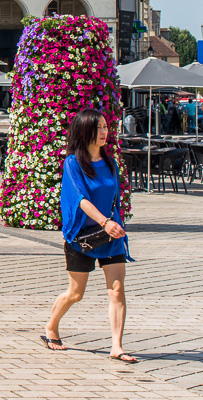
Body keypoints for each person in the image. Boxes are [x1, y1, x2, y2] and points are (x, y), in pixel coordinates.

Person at [43, 108, 135, 362]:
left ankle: (117, 346)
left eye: (106, 127)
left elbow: (114, 198)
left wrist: (112, 224)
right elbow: (80, 200)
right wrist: (104, 222)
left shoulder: (110, 163)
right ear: (85, 131)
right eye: (99, 128)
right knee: (76, 293)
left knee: (117, 289)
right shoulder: (73, 163)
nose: (105, 132)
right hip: (82, 236)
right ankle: (51, 326)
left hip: (110, 235)